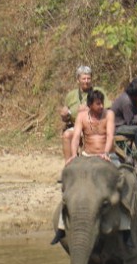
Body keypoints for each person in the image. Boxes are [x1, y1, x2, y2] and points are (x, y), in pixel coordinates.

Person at [52, 89, 132, 246]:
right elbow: (75, 137)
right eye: (98, 104)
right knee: (70, 188)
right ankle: (62, 227)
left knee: (122, 185)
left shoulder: (108, 115)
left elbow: (109, 135)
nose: (101, 106)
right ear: (89, 105)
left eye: (102, 103)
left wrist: (106, 153)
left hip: (108, 157)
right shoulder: (82, 117)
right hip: (87, 157)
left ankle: (125, 228)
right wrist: (74, 156)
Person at [60, 65, 112, 162]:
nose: (86, 81)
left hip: (95, 125)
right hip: (76, 126)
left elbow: (107, 108)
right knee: (67, 135)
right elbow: (65, 119)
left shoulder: (98, 91)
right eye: (84, 78)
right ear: (78, 80)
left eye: (88, 78)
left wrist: (89, 109)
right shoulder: (71, 95)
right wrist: (64, 115)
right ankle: (69, 163)